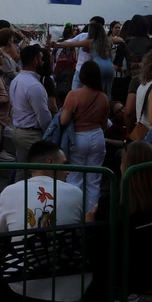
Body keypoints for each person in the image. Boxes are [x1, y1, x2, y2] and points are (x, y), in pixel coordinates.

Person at [0, 140, 92, 302]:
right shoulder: (76, 193)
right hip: (68, 280)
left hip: (22, 280)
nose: (68, 171)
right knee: (58, 247)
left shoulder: (11, 192)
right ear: (50, 162)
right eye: (65, 165)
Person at [58, 61, 110, 210]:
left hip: (78, 138)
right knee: (94, 180)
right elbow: (104, 123)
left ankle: (74, 213)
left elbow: (64, 120)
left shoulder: (73, 95)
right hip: (97, 137)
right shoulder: (103, 97)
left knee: (75, 177)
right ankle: (91, 214)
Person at [7, 44, 53, 166]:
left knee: (23, 170)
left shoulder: (17, 80)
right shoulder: (34, 85)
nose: (43, 62)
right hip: (31, 135)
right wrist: (51, 133)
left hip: (19, 130)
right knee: (39, 170)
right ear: (35, 60)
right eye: (41, 58)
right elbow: (43, 117)